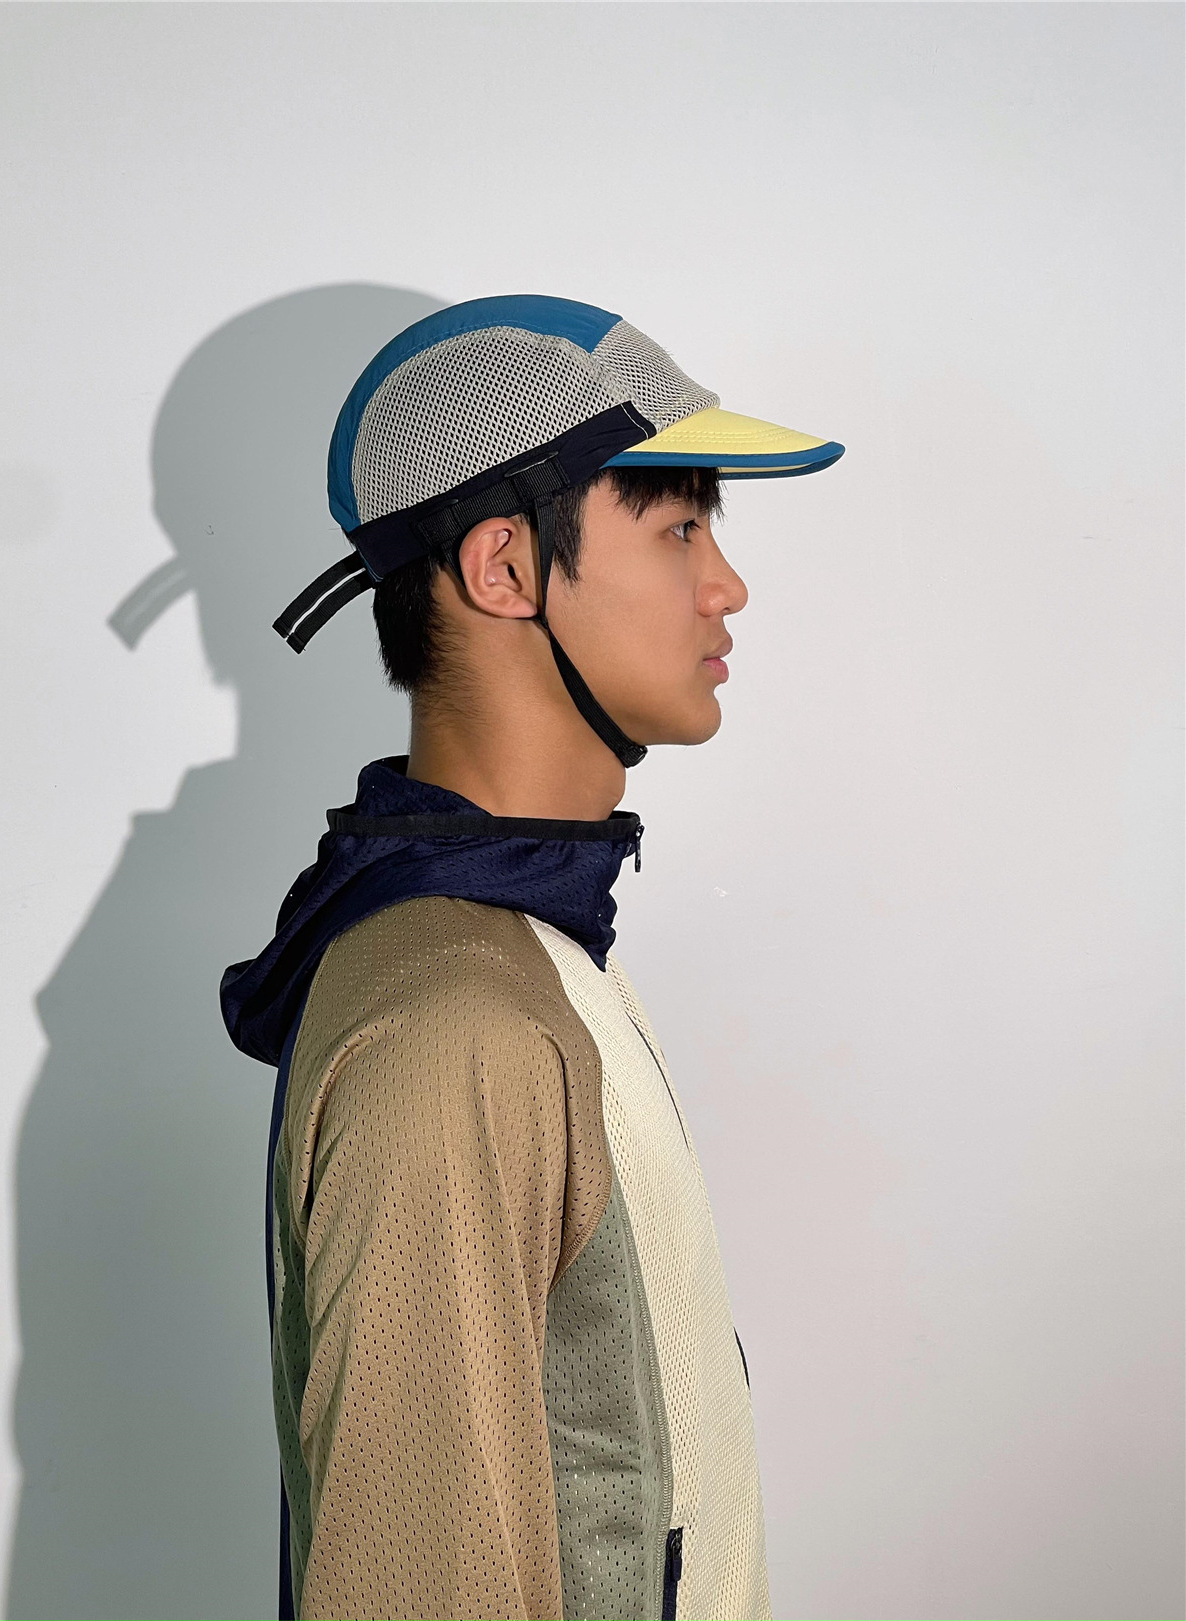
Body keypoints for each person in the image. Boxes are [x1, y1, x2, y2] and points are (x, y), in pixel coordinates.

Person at [221, 294, 844, 1621]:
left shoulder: (530, 948)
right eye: (680, 527)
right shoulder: (457, 1021)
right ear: (505, 568)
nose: (726, 585)